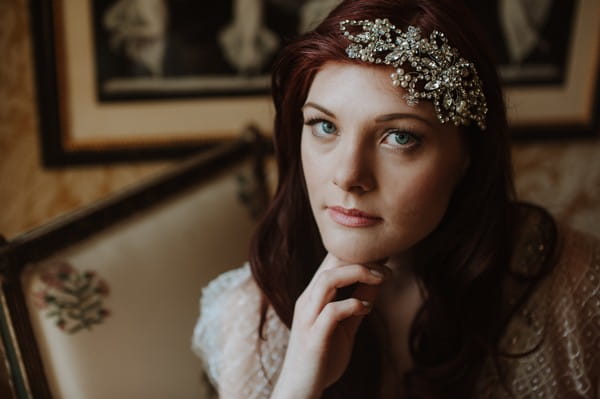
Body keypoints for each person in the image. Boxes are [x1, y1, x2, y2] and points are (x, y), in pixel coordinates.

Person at [191, 0, 600, 398]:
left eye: (400, 137)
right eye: (324, 126)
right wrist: (299, 386)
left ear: (467, 156)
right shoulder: (248, 318)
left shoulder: (575, 289)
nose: (348, 176)